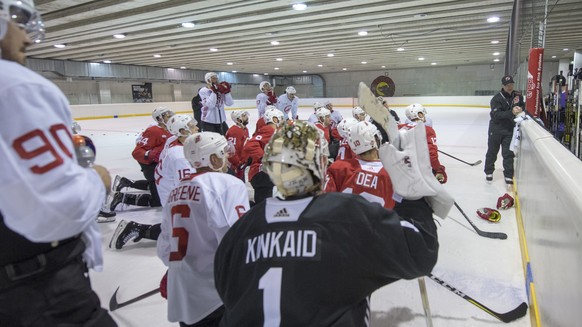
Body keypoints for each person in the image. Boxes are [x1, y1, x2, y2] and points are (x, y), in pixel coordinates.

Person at [214, 121, 440, 326]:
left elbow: (226, 290)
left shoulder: (242, 228)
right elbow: (421, 252)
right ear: (322, 163)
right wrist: (414, 197)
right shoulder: (348, 214)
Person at [0, 1, 116, 325]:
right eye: (17, 22)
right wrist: (97, 179)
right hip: (35, 287)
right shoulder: (16, 84)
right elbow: (55, 209)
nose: (27, 38)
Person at [157, 131, 249, 327]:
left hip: (183, 295)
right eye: (223, 153)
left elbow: (164, 249)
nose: (227, 158)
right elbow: (235, 241)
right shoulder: (227, 184)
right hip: (215, 295)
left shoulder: (176, 191)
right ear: (213, 158)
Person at [109, 114, 198, 250]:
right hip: (170, 192)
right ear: (182, 131)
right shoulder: (180, 157)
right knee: (185, 230)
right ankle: (135, 229)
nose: (197, 128)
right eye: (192, 126)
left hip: (164, 184)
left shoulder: (173, 139)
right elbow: (186, 188)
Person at [107, 106, 174, 212]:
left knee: (161, 185)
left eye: (170, 113)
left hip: (160, 165)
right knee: (158, 200)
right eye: (167, 114)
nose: (171, 116)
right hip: (150, 165)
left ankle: (127, 183)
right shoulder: (154, 130)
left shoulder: (171, 129)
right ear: (159, 118)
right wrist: (152, 155)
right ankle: (123, 198)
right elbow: (137, 152)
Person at [325, 121, 395, 209]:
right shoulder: (391, 173)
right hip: (378, 221)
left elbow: (325, 200)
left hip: (341, 221)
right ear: (375, 139)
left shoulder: (339, 168)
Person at [484, 75, 524, 186]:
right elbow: (496, 115)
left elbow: (522, 106)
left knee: (508, 153)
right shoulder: (496, 99)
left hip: (509, 129)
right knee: (492, 151)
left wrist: (521, 109)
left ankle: (508, 174)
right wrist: (511, 112)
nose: (510, 87)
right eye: (507, 85)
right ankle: (489, 172)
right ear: (503, 86)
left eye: (511, 84)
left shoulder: (518, 96)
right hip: (496, 129)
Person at [242, 107, 284, 205]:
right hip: (261, 174)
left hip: (264, 174)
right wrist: (263, 158)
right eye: (280, 118)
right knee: (263, 205)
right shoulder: (269, 130)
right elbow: (250, 145)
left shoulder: (275, 132)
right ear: (274, 119)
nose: (283, 121)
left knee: (266, 203)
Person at [400, 104, 447, 184]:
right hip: (420, 171)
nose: (424, 116)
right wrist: (438, 168)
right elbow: (432, 155)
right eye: (423, 113)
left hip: (402, 169)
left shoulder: (400, 127)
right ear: (419, 114)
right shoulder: (428, 130)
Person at [226, 110, 250, 180]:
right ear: (238, 120)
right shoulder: (234, 131)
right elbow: (231, 150)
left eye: (245, 115)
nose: (246, 117)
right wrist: (238, 164)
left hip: (241, 164)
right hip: (235, 166)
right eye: (243, 116)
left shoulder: (245, 129)